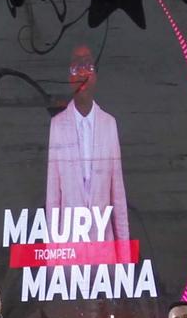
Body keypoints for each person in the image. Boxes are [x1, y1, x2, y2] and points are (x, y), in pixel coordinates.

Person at [44, 44, 131, 241]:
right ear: (69, 77)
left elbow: (118, 196)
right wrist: (52, 263)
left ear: (97, 75)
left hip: (104, 248)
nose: (83, 72)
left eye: (88, 65)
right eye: (76, 66)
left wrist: (124, 262)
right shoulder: (57, 126)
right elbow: (53, 200)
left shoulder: (109, 124)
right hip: (69, 250)